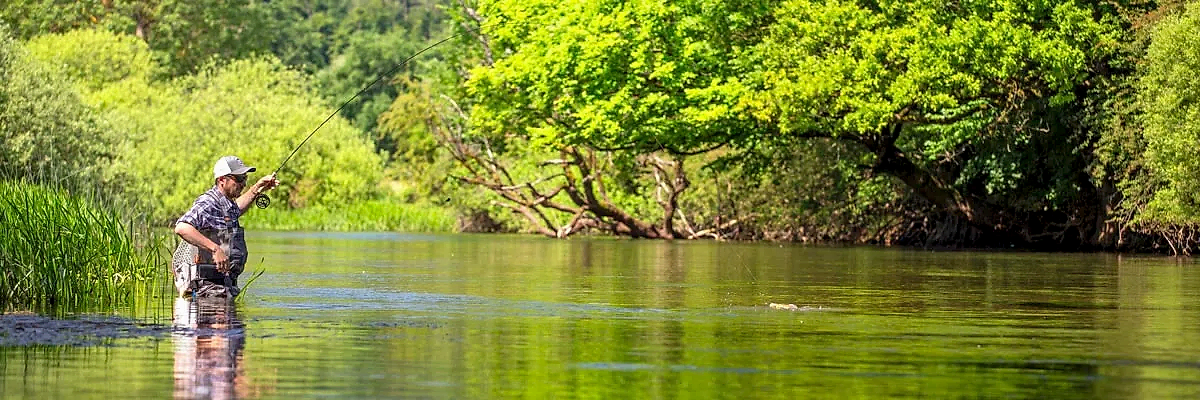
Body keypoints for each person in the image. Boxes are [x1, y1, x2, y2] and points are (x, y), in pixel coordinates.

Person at [172, 156, 279, 298]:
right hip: (208, 288)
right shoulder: (208, 202)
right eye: (239, 179)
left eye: (245, 178)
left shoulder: (226, 203)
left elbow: (237, 209)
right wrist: (215, 249)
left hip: (224, 286)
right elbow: (182, 227)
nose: (243, 183)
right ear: (222, 180)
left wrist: (257, 188)